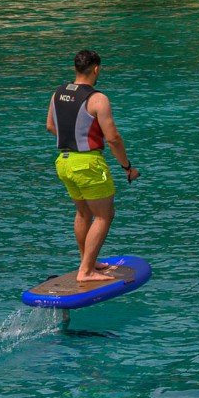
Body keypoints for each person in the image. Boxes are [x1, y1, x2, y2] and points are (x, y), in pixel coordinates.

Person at [45, 49, 140, 283]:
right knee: (104, 216)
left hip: (64, 162)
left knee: (83, 212)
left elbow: (50, 126)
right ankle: (86, 271)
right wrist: (127, 167)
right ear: (96, 68)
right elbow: (113, 138)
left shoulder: (58, 93)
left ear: (75, 68)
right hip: (88, 163)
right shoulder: (98, 99)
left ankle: (87, 261)